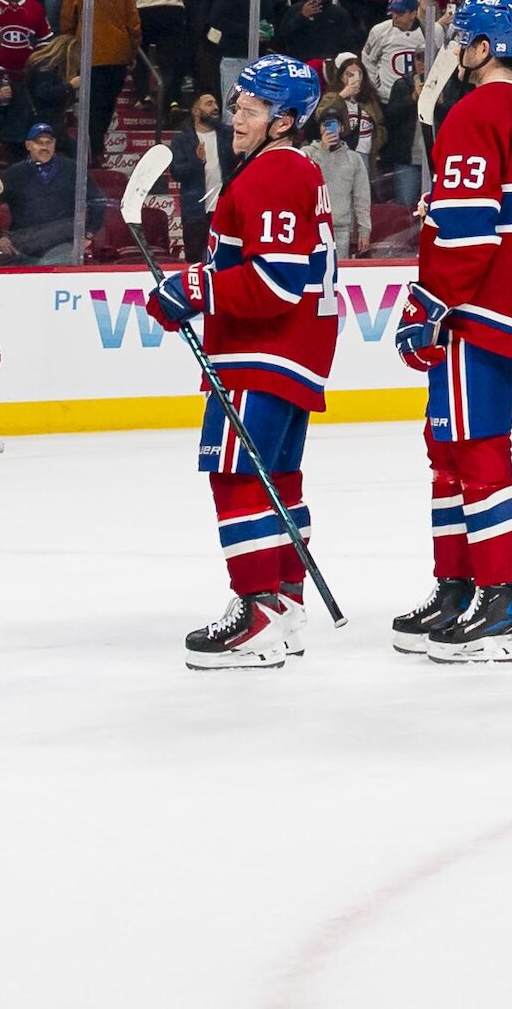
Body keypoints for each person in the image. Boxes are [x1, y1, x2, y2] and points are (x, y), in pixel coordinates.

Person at [392, 0, 512, 659]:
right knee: (448, 448)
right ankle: (457, 586)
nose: (453, 48)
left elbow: (468, 232)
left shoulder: (476, 111)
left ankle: (498, 601)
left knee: (475, 449)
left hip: (482, 303)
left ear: (481, 47)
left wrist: (430, 301)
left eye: (461, 37)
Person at [150, 53, 338, 667]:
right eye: (239, 104)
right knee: (277, 479)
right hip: (289, 355)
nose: (237, 116)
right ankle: (284, 603)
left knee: (235, 477)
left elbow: (277, 281)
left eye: (252, 109)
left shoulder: (273, 176)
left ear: (283, 122)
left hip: (264, 354)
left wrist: (195, 287)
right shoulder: (289, 170)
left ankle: (255, 611)